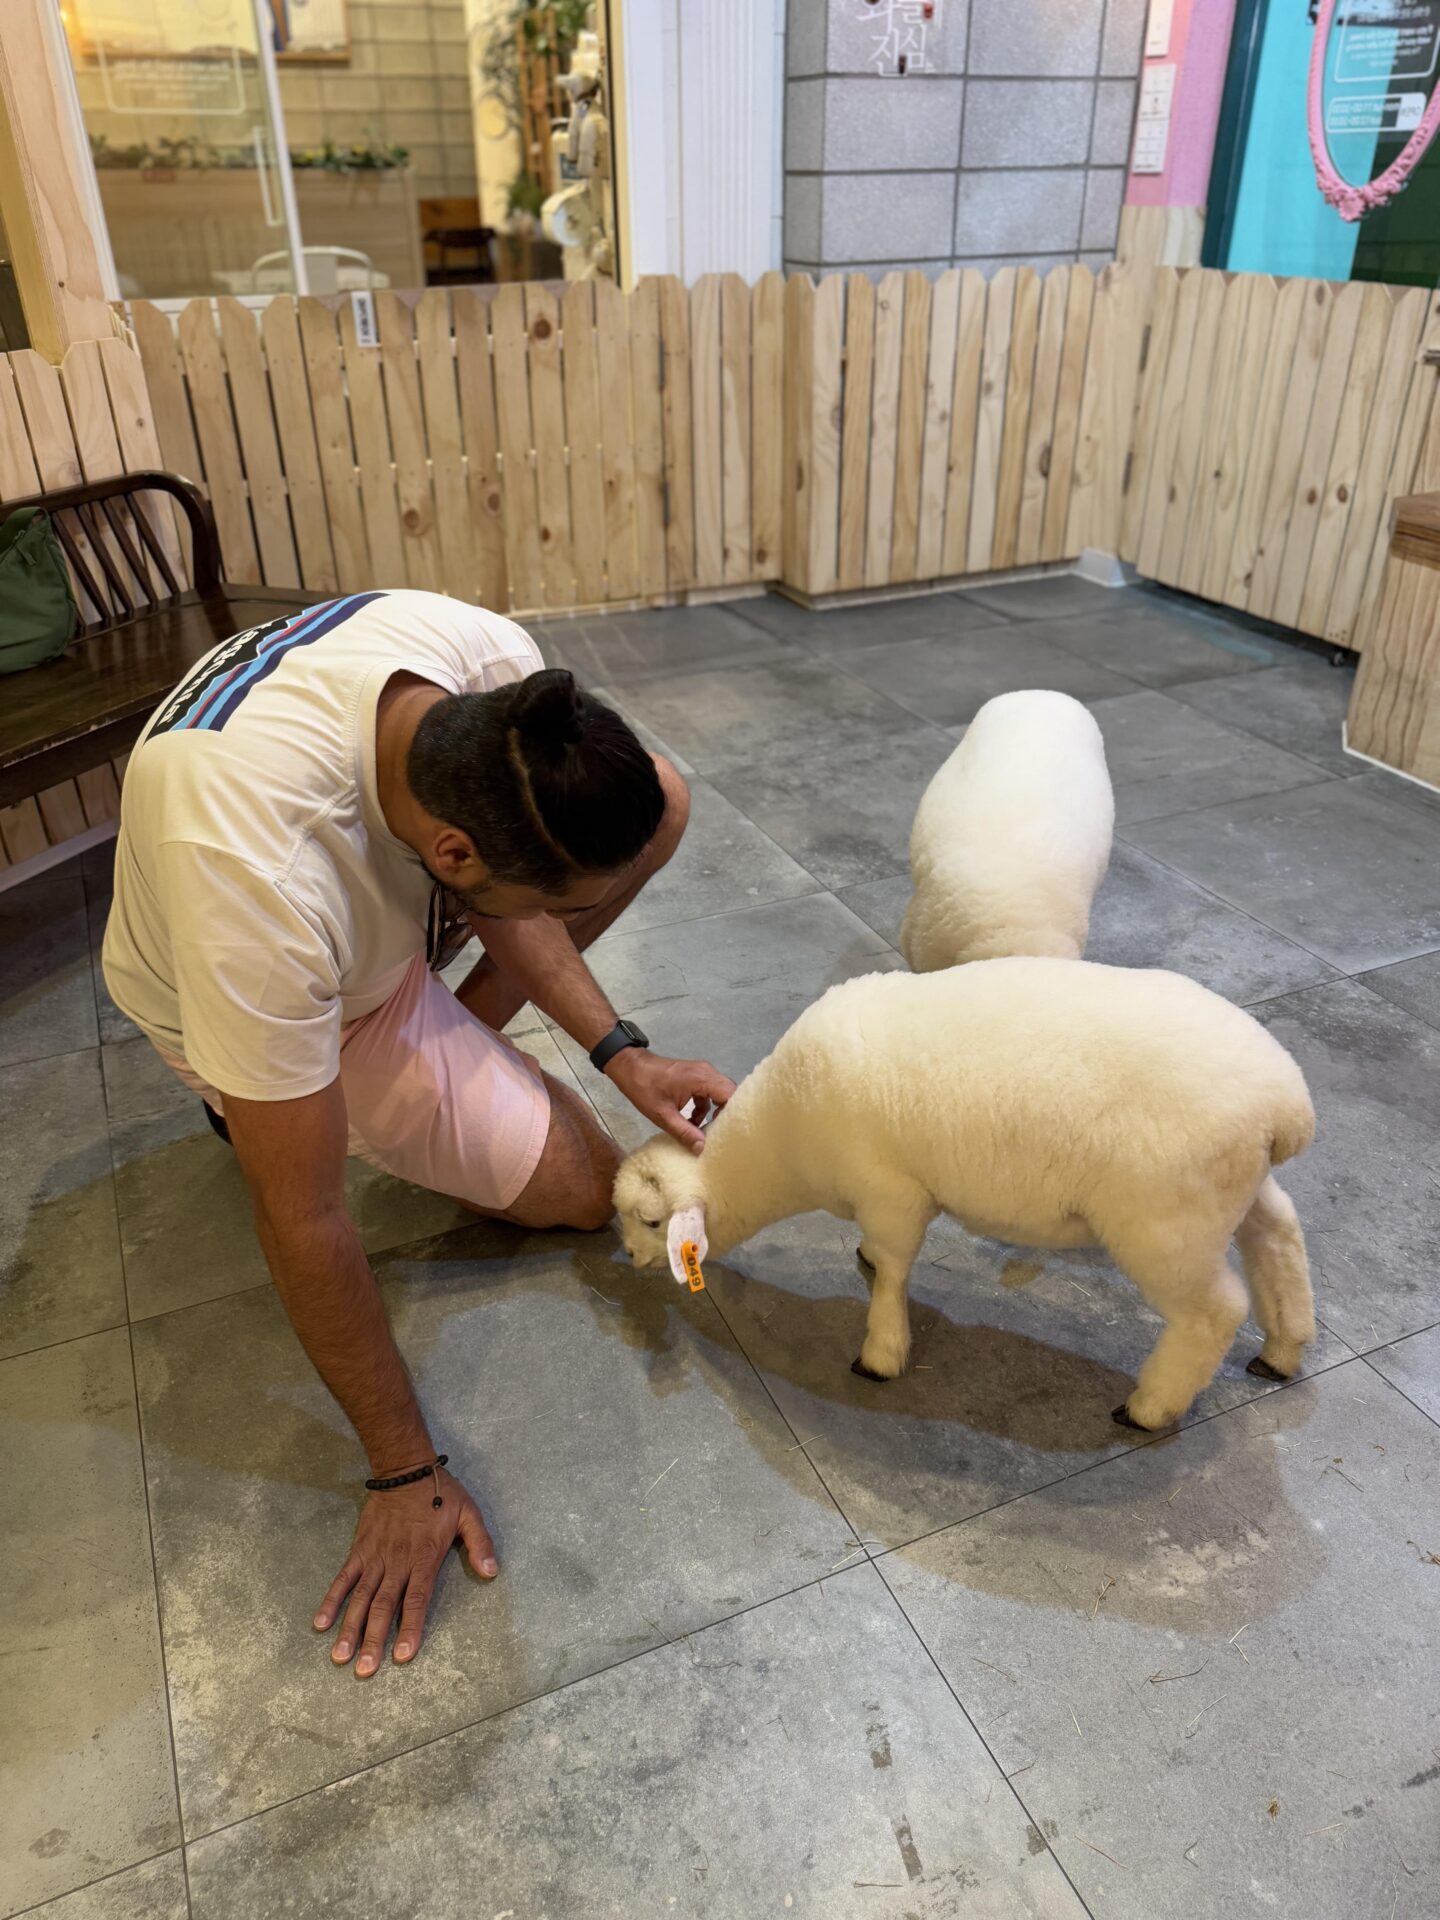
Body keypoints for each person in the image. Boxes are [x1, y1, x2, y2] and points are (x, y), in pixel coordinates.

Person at [103, 588, 734, 1679]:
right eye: (552, 903)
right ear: (451, 851)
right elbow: (299, 1219)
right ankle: (284, 1093)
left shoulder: (488, 666)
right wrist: (402, 1471)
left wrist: (622, 1052)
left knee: (662, 803)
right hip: (286, 1000)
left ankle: (436, 1038)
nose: (574, 917)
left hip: (369, 921)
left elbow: (504, 895)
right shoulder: (255, 882)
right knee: (586, 1188)